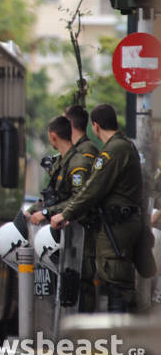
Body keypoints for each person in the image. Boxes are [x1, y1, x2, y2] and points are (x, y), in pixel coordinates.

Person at [50, 104, 146, 312]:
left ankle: (119, 341)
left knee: (116, 282)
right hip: (120, 224)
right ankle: (119, 338)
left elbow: (93, 189)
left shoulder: (114, 150)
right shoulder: (122, 146)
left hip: (117, 227)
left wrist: (65, 214)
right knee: (114, 281)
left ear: (95, 126)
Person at [64, 104, 100, 312]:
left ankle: (85, 334)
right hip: (75, 225)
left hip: (84, 225)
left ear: (70, 124)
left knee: (84, 278)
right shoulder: (77, 151)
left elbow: (81, 193)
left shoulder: (86, 152)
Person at [25, 116, 92, 226]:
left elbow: (78, 200)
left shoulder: (78, 163)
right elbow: (53, 197)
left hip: (78, 227)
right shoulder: (59, 163)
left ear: (53, 136)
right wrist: (31, 211)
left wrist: (46, 213)